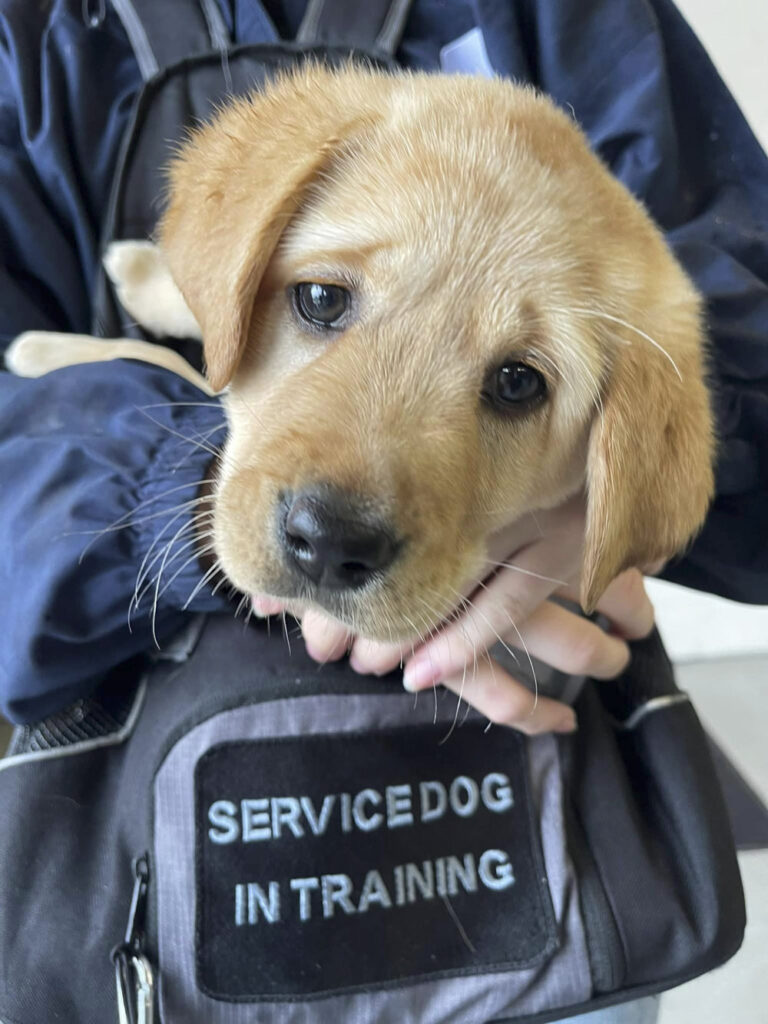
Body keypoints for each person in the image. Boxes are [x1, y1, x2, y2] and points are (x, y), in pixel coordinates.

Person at [0, 2, 766, 1022]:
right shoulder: (36, 35)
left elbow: (739, 309)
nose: (345, 504)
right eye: (324, 301)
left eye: (516, 385)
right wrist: (172, 487)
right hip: (124, 898)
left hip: (512, 864)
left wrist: (600, 497)